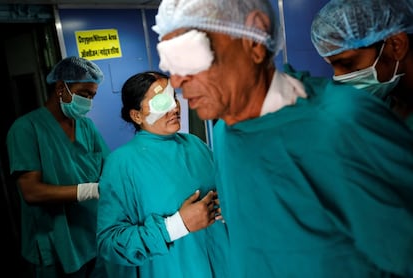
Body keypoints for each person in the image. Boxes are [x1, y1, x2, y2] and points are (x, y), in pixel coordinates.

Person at [152, 0, 413, 277]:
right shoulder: (226, 133)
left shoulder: (343, 124)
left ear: (253, 42)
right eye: (171, 63)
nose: (177, 81)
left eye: (190, 57)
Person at [96, 71, 227, 278]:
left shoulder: (196, 146)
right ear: (136, 115)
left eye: (174, 97)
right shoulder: (122, 164)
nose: (175, 107)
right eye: (161, 102)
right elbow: (110, 244)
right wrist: (176, 225)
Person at [6, 56, 110, 278]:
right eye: (83, 94)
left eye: (92, 96)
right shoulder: (26, 129)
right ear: (61, 87)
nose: (88, 101)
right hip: (56, 241)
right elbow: (31, 192)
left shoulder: (86, 126)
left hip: (92, 236)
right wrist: (91, 190)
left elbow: (109, 168)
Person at [310, 0, 413, 129]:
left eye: (347, 63)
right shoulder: (381, 106)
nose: (339, 77)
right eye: (333, 66)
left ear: (396, 45)